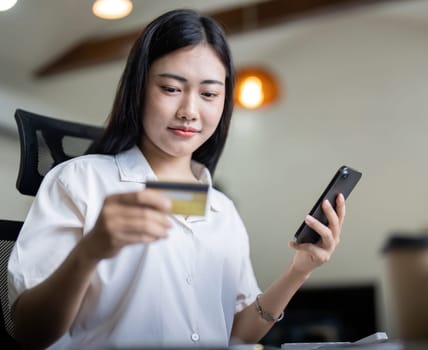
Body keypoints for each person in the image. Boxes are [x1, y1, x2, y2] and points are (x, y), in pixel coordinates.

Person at [7, 8, 346, 350]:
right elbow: (29, 331)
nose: (189, 111)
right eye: (171, 88)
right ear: (138, 89)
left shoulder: (221, 209)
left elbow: (237, 332)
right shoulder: (79, 181)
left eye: (209, 94)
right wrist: (89, 253)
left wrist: (299, 270)